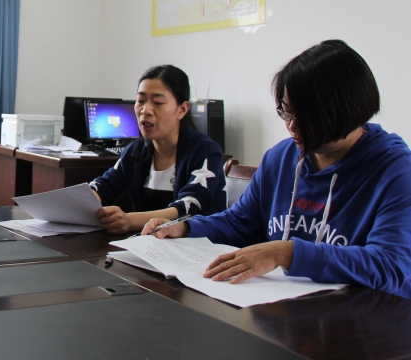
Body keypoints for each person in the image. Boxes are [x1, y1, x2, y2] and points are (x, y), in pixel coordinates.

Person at [143, 40, 411, 300]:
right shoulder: (281, 158)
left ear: (345, 111)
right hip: (284, 310)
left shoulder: (396, 172)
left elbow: (391, 266)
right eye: (286, 113)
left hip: (366, 319)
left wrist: (286, 253)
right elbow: (240, 222)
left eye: (305, 117)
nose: (291, 127)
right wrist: (186, 227)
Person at [91, 65, 226, 234]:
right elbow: (104, 186)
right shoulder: (135, 151)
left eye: (158, 103)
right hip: (150, 245)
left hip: (199, 244)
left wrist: (130, 221)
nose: (145, 110)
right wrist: (84, 199)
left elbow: (189, 207)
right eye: (141, 101)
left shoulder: (205, 151)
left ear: (182, 109)